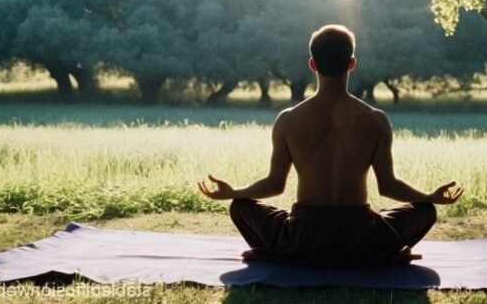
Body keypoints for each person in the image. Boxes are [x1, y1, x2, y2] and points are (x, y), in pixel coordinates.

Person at [198, 24, 463, 267]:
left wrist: (234, 192)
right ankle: (381, 254)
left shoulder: (288, 120)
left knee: (240, 207)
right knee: (425, 211)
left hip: (301, 236)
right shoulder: (375, 119)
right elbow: (388, 186)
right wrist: (430, 197)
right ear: (352, 63)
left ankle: (280, 254)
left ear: (312, 64)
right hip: (362, 237)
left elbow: (275, 184)